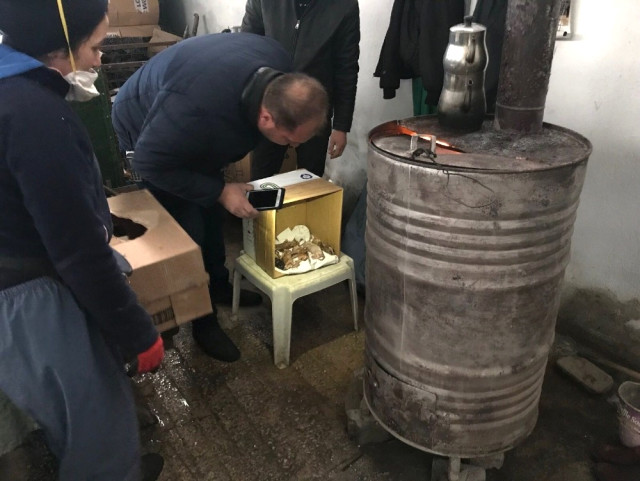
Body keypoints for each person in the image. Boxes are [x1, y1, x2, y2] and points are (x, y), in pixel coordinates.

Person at [0, 0, 164, 480]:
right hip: (31, 292)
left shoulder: (11, 92)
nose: (98, 58)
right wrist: (137, 332)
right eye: (94, 46)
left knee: (61, 410)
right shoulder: (36, 117)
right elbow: (77, 251)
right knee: (96, 418)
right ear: (58, 48)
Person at [111, 33, 329, 362]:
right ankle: (203, 321)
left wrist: (218, 194)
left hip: (191, 112)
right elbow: (149, 162)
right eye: (289, 139)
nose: (293, 147)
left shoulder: (279, 69)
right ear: (266, 118)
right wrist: (220, 191)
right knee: (188, 231)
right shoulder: (194, 110)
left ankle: (219, 286)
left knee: (211, 215)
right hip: (145, 128)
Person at [241, 0, 360, 179]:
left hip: (314, 112)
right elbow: (247, 48)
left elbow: (346, 69)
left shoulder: (344, 5)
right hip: (270, 105)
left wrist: (341, 126)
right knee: (261, 179)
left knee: (310, 179)